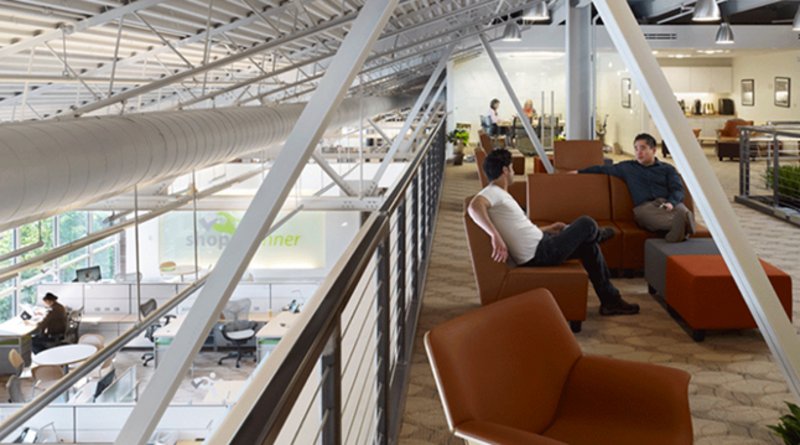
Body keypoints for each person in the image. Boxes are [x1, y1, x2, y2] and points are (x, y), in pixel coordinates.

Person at [468, 149, 640, 316]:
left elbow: (520, 230)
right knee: (586, 223)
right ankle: (596, 235)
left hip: (543, 241)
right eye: (512, 168)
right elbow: (474, 206)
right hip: (539, 253)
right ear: (505, 170)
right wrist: (494, 236)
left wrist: (548, 229)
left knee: (590, 247)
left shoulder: (500, 194)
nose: (513, 172)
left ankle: (610, 301)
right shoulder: (493, 191)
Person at [577, 133, 695, 243]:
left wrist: (671, 203)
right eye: (636, 149)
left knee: (681, 209)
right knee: (644, 215)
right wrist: (578, 172)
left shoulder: (668, 169)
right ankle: (683, 225)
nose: (638, 152)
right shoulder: (627, 167)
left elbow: (678, 189)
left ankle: (679, 226)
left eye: (642, 148)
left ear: (653, 150)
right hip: (646, 207)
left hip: (668, 203)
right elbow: (602, 169)